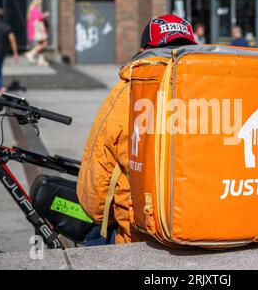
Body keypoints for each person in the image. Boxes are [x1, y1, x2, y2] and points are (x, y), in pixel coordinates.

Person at [84, 14, 197, 246]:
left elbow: (97, 179)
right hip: (199, 225)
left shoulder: (128, 93)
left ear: (144, 50)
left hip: (140, 234)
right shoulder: (207, 91)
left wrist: (100, 214)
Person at [25, 0, 50, 66]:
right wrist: (45, 15)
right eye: (41, 1)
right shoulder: (35, 9)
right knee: (45, 43)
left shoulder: (31, 9)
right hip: (38, 28)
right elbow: (38, 18)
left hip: (35, 28)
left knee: (41, 43)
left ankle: (41, 60)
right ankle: (30, 54)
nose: (42, 2)